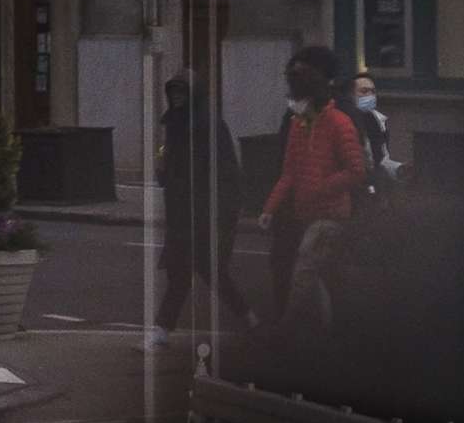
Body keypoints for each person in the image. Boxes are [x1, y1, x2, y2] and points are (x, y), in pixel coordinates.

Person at [149, 76, 258, 349]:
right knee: (187, 271)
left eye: (181, 92)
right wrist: (162, 168)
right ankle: (249, 319)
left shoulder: (207, 124)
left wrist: (222, 209)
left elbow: (223, 168)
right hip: (182, 209)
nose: (176, 97)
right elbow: (171, 164)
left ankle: (248, 319)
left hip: (205, 209)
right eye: (172, 92)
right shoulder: (174, 122)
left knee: (202, 270)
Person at [260, 46, 363, 323]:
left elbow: (355, 168)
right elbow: (289, 166)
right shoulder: (298, 118)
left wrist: (319, 188)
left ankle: (290, 329)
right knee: (316, 272)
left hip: (327, 211)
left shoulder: (340, 116)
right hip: (298, 208)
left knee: (305, 270)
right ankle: (320, 330)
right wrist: (272, 206)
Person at [345, 71, 401, 206]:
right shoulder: (345, 122)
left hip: (374, 186)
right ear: (351, 95)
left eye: (372, 91)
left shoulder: (377, 121)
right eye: (363, 91)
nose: (369, 96)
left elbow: (381, 157)